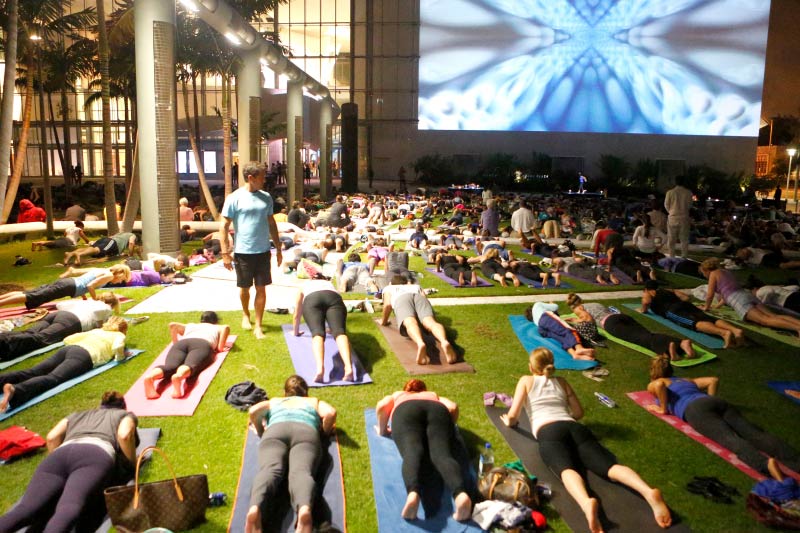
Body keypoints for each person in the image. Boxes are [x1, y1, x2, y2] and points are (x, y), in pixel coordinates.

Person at [501, 348, 672, 533]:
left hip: (549, 431)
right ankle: (647, 491)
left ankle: (586, 502)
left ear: (531, 367)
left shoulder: (526, 380)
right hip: (574, 427)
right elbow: (578, 413)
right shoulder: (562, 381)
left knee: (566, 469)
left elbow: (514, 415)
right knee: (608, 466)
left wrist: (508, 421)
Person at [0, 391, 138, 532]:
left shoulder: (77, 415)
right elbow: (124, 435)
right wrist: (132, 465)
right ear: (123, 407)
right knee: (68, 506)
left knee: (26, 509)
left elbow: (52, 437)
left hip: (59, 455)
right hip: (94, 455)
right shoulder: (125, 415)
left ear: (101, 406)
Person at [648, 355, 800, 480]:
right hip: (714, 402)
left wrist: (662, 409)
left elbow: (660, 385)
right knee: (756, 434)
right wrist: (708, 400)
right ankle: (796, 461)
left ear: (653, 371)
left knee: (729, 439)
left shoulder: (655, 383)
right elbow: (713, 380)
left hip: (694, 410)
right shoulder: (686, 380)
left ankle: (765, 464)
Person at [245, 375, 337, 533]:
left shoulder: (274, 401)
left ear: (284, 392)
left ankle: (255, 508)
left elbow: (253, 411)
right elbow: (330, 413)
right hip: (305, 432)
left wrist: (261, 432)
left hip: (275, 431)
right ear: (306, 393)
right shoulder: (313, 402)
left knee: (270, 469)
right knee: (301, 472)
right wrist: (323, 433)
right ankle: (304, 509)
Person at [375, 379, 473, 522]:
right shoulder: (433, 395)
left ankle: (413, 495)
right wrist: (448, 429)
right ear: (424, 389)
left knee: (412, 453)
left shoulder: (398, 395)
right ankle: (461, 495)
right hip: (436, 410)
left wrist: (382, 430)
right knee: (442, 455)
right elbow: (452, 407)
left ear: (407, 389)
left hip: (405, 410)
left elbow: (382, 406)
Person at [0, 316, 128, 412]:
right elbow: (118, 347)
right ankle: (16, 390)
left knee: (33, 371)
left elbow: (68, 339)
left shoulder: (96, 331)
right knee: (53, 378)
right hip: (85, 356)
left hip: (68, 349)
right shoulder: (119, 335)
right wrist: (121, 357)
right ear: (123, 330)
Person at [220, 161, 283, 339]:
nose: (265, 180)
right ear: (251, 178)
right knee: (245, 288)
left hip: (263, 251)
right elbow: (223, 226)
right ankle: (246, 314)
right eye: (262, 177)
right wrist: (225, 253)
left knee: (261, 288)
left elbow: (272, 223)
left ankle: (259, 325)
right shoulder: (234, 198)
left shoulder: (266, 197)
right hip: (243, 252)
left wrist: (278, 247)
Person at [566, 293, 696, 360]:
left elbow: (587, 318)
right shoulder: (595, 303)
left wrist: (575, 321)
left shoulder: (578, 308)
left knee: (641, 338)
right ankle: (677, 345)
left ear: (573, 305)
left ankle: (675, 346)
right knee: (647, 334)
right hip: (621, 317)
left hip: (611, 323)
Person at [700, 257, 800, 337]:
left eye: (703, 273)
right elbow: (727, 292)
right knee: (773, 316)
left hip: (739, 300)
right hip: (747, 295)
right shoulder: (725, 272)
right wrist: (717, 306)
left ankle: (797, 328)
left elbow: (710, 294)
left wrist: (706, 307)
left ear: (706, 270)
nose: (704, 276)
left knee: (764, 320)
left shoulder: (713, 274)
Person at [0, 294, 119, 361]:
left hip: (57, 315)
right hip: (72, 321)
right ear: (112, 304)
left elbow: (60, 305)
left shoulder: (86, 301)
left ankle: (4, 339)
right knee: (41, 338)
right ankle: (5, 343)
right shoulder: (106, 308)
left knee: (29, 331)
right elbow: (100, 325)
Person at [143, 311, 229, 399]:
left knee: (170, 366)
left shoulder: (191, 325)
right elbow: (226, 328)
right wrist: (221, 348)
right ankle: (179, 376)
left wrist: (175, 342)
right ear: (216, 321)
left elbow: (172, 325)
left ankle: (150, 377)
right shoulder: (217, 327)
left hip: (181, 344)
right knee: (190, 365)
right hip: (201, 344)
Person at [639, 279, 744, 348]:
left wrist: (643, 309)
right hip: (685, 305)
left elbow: (646, 301)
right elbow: (686, 297)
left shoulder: (648, 292)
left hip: (673, 311)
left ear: (646, 289)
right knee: (708, 318)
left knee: (694, 323)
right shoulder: (668, 290)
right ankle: (735, 330)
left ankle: (723, 333)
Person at [380, 276, 458, 365]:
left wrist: (384, 322)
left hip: (401, 299)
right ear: (406, 282)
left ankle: (420, 343)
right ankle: (444, 341)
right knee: (430, 322)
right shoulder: (415, 286)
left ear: (391, 283)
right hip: (419, 298)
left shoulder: (389, 288)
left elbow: (387, 305)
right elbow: (425, 299)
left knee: (410, 322)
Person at [292, 279, 355, 382]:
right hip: (334, 298)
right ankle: (348, 368)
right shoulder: (328, 283)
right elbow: (330, 308)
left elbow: (297, 314)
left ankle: (320, 369)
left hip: (312, 300)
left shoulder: (303, 286)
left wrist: (296, 332)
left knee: (317, 334)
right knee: (340, 333)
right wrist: (332, 328)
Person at [0, 265, 129, 310]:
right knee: (31, 296)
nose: (119, 281)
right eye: (122, 279)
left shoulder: (102, 270)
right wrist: (94, 299)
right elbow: (90, 286)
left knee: (30, 292)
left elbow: (85, 282)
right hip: (69, 287)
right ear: (119, 273)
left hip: (69, 283)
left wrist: (83, 296)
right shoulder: (109, 276)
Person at [524, 302, 595, 360]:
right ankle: (579, 348)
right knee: (568, 330)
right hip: (546, 319)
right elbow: (555, 307)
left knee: (561, 338)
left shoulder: (535, 320)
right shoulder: (537, 305)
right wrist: (551, 303)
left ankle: (574, 354)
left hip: (541, 330)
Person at [63, 231, 139, 266]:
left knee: (92, 248)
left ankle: (70, 254)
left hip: (106, 240)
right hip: (112, 242)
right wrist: (131, 255)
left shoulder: (122, 234)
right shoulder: (133, 235)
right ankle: (79, 254)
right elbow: (131, 243)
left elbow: (111, 237)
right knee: (97, 250)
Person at [664, 175, 693, 257]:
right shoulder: (688, 192)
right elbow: (690, 205)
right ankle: (684, 257)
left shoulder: (670, 192)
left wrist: (671, 212)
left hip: (673, 217)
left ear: (675, 182)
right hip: (684, 217)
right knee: (684, 239)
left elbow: (666, 205)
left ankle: (671, 256)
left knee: (671, 239)